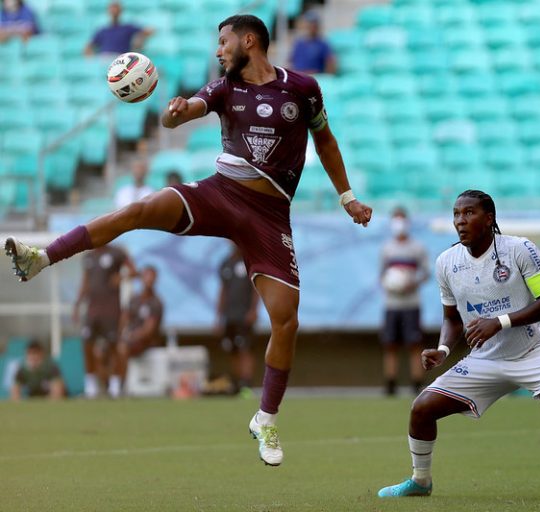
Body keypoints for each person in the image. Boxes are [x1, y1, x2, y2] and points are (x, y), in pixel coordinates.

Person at [5, 14, 372, 467]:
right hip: (220, 193)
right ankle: (43, 256)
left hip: (269, 215)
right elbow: (179, 117)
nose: (218, 50)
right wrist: (173, 111)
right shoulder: (222, 88)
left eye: (223, 41)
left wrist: (348, 197)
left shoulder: (303, 88)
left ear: (249, 40)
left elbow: (327, 142)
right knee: (138, 210)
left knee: (285, 319)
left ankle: (267, 418)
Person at [377, 190, 540, 501]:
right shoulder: (446, 262)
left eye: (469, 213)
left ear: (489, 218)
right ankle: (420, 481)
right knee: (421, 408)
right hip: (485, 360)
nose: (460, 221)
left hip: (530, 351)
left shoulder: (520, 250)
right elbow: (451, 319)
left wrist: (500, 322)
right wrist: (443, 351)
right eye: (456, 214)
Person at [73, 244, 137, 398]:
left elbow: (134, 271)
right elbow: (85, 283)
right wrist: (77, 304)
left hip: (111, 310)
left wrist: (121, 277)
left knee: (113, 346)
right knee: (87, 344)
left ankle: (115, 386)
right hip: (92, 311)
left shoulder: (117, 252)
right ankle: (91, 386)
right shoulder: (88, 257)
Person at [379, 207, 430, 396]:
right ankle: (390, 384)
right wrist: (390, 283)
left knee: (414, 344)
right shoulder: (387, 248)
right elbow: (382, 275)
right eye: (396, 219)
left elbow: (426, 273)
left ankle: (416, 384)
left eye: (402, 219)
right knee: (390, 344)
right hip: (391, 304)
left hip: (411, 303)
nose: (399, 224)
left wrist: (412, 282)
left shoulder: (417, 247)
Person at [216, 242, 260, 395]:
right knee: (232, 349)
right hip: (230, 315)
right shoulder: (225, 264)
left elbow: (256, 289)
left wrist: (254, 310)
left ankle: (246, 383)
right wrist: (219, 317)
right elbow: (222, 291)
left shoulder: (249, 262)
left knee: (245, 348)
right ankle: (237, 381)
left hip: (244, 315)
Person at [115, 265, 164, 397]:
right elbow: (124, 318)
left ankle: (121, 385)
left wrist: (131, 336)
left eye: (151, 277)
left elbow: (149, 330)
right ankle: (105, 385)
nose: (148, 280)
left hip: (145, 342)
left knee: (122, 348)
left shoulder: (156, 302)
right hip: (129, 338)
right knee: (107, 348)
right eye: (146, 276)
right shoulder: (134, 299)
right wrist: (120, 334)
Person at [84, 1, 154, 56]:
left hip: (121, 58)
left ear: (121, 11)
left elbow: (148, 31)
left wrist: (139, 40)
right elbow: (89, 47)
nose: (114, 11)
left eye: (116, 8)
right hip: (104, 58)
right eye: (112, 9)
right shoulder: (102, 30)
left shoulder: (128, 28)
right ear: (108, 11)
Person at [288, 10, 336, 75]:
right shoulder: (298, 43)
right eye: (310, 24)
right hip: (298, 77)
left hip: (314, 78)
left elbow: (330, 64)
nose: (312, 27)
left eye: (314, 25)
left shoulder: (322, 44)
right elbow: (290, 62)